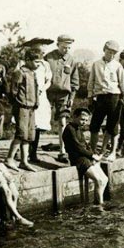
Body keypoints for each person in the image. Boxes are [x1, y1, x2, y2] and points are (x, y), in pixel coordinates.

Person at [87, 40, 124, 161]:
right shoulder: (96, 64)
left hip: (114, 97)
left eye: (113, 53)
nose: (111, 55)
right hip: (100, 97)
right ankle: (93, 151)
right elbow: (91, 81)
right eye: (109, 52)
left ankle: (111, 152)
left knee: (113, 126)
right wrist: (90, 97)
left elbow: (123, 84)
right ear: (104, 50)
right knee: (95, 125)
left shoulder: (117, 65)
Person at [44, 34, 80, 163]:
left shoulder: (72, 60)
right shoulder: (48, 57)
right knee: (40, 121)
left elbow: (75, 82)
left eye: (68, 47)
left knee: (63, 122)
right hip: (48, 93)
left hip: (64, 95)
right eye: (64, 47)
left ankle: (62, 151)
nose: (66, 50)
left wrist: (72, 97)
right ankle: (30, 151)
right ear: (58, 44)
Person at [62, 108, 109, 205]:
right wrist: (92, 156)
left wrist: (93, 155)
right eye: (82, 119)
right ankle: (100, 204)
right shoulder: (69, 129)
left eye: (86, 120)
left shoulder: (78, 128)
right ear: (74, 116)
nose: (84, 122)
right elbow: (77, 147)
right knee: (99, 180)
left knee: (105, 179)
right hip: (79, 159)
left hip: (85, 157)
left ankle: (98, 201)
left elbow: (85, 145)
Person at [6, 48, 39, 171]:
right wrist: (19, 104)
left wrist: (36, 103)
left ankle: (24, 161)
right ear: (28, 60)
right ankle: (9, 158)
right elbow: (13, 91)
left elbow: (35, 90)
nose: (38, 65)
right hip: (22, 108)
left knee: (29, 136)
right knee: (21, 134)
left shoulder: (33, 73)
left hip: (31, 108)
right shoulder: (19, 73)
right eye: (36, 62)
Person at [27, 45, 52, 163]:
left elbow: (49, 81)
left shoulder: (45, 65)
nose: (42, 53)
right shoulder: (26, 62)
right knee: (26, 124)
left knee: (37, 125)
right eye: (39, 51)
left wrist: (42, 88)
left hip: (40, 96)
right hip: (28, 96)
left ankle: (33, 153)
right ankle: (23, 151)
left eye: (43, 52)